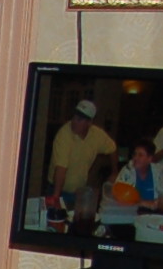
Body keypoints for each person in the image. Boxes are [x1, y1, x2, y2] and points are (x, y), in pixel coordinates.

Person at [41, 98, 115, 233]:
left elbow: (113, 149)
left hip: (78, 193)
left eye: (80, 119)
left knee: (75, 229)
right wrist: (56, 197)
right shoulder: (64, 134)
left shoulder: (97, 135)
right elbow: (61, 168)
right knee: (55, 228)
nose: (74, 121)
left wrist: (114, 172)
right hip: (57, 189)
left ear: (89, 123)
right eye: (74, 117)